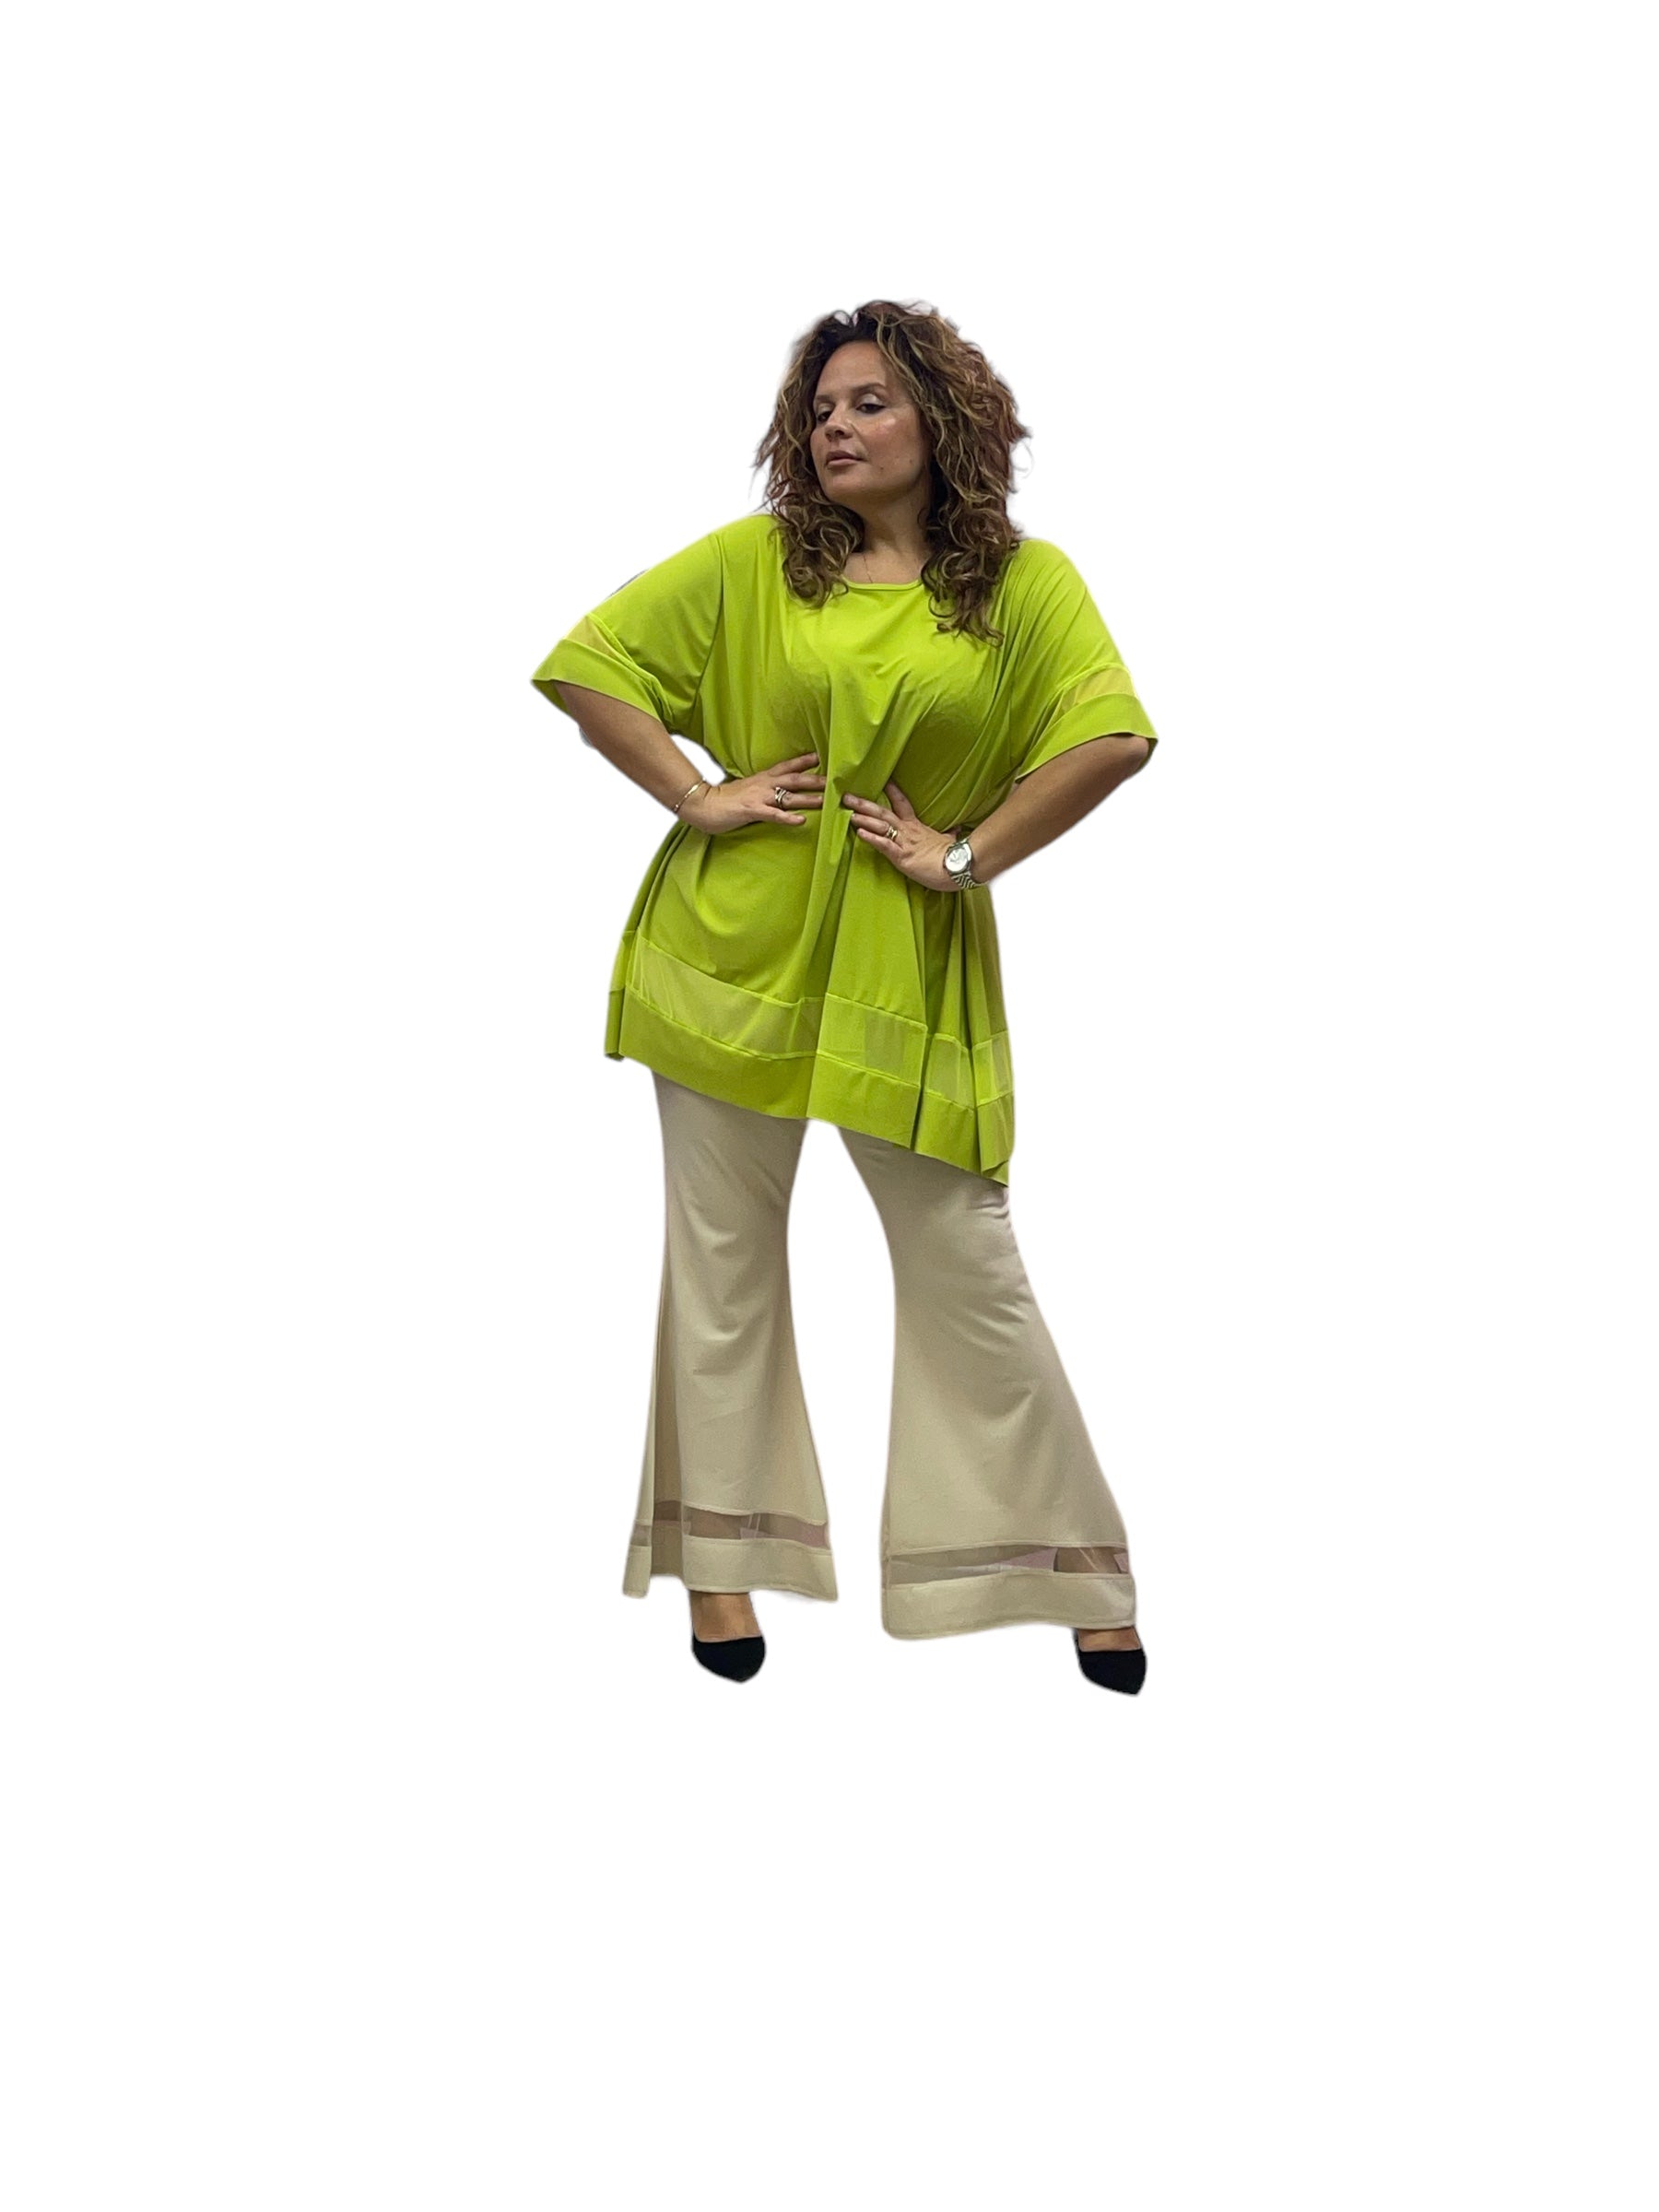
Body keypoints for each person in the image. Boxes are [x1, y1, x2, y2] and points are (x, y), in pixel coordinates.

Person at [530, 300, 1159, 1693]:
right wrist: (698, 794)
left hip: (898, 970)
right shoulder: (758, 564)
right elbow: (588, 665)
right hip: (729, 955)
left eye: (869, 401)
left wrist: (965, 854)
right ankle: (721, 1567)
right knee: (722, 1266)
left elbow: (1112, 735)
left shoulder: (1024, 586)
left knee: (966, 1260)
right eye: (819, 409)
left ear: (945, 417)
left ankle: (1065, 1570)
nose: (835, 426)